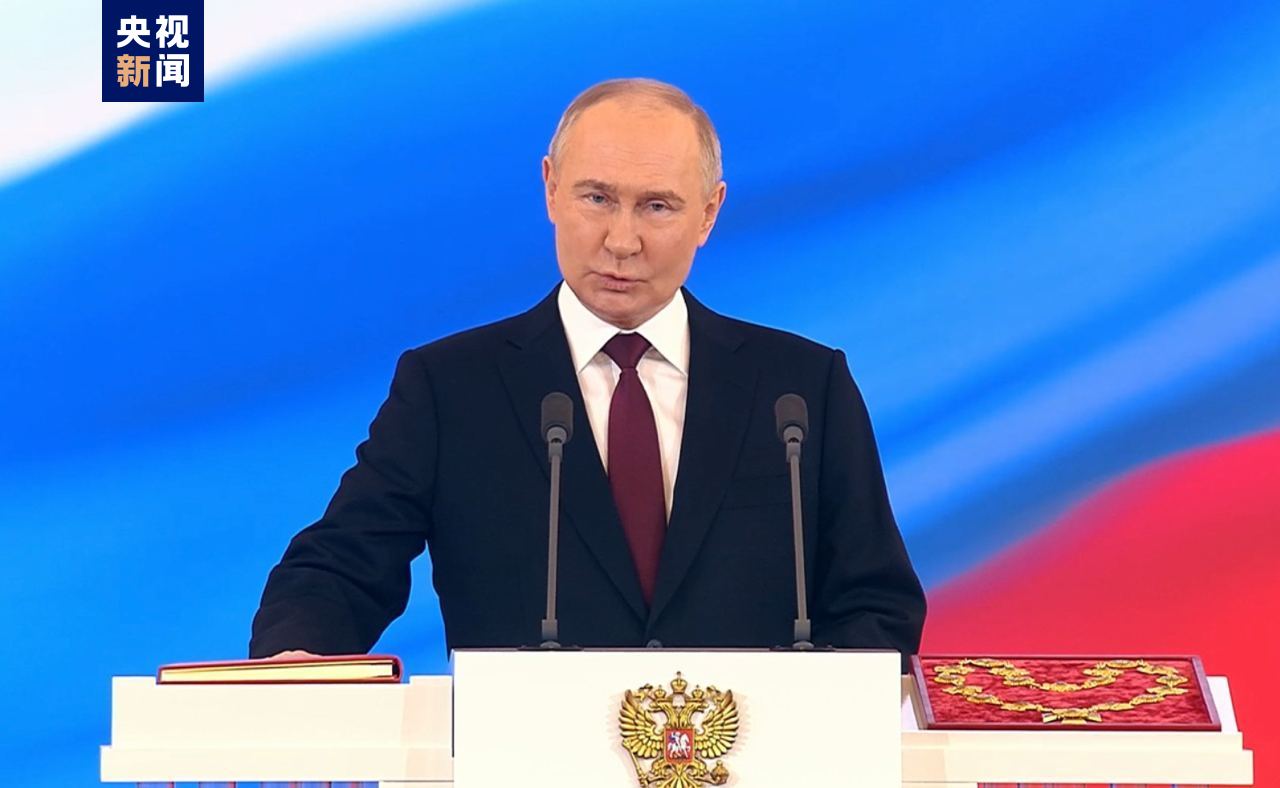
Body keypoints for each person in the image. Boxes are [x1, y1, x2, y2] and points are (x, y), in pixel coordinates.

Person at [250, 78, 925, 667]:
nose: (622, 241)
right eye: (597, 198)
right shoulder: (451, 388)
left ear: (709, 213)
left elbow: (876, 601)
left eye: (657, 206)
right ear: (549, 188)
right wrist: (298, 653)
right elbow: (339, 567)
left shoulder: (801, 390)